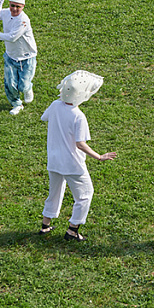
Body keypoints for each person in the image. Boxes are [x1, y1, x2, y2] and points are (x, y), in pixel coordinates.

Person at [39, 70, 116, 242]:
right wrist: (99, 156)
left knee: (54, 193)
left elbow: (45, 118)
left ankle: (45, 225)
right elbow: (80, 144)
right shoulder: (78, 116)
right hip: (72, 164)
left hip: (54, 161)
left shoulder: (54, 105)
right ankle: (73, 229)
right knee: (85, 195)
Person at [0, 0, 37, 115]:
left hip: (26, 57)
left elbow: (12, 37)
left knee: (23, 85)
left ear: (23, 7)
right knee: (10, 84)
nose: (14, 9)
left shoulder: (23, 21)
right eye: (12, 5)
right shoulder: (6, 13)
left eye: (17, 7)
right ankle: (16, 104)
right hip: (10, 56)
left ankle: (28, 88)